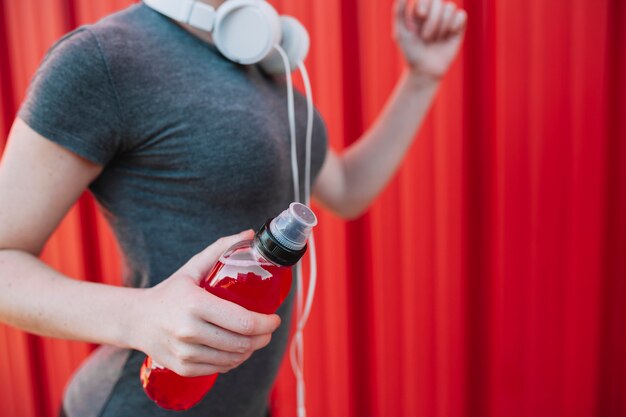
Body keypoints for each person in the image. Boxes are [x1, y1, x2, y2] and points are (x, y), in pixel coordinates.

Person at [0, 0, 467, 416]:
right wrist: (139, 316)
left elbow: (347, 190)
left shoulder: (265, 65)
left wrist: (422, 78)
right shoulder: (101, 60)